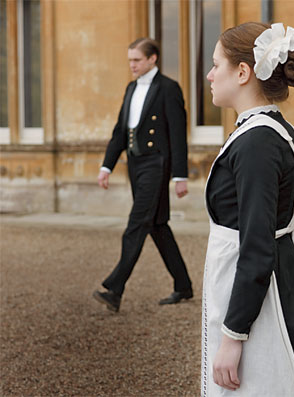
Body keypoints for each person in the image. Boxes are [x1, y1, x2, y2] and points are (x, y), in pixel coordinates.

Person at [201, 22, 294, 397]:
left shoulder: (258, 142)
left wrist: (233, 336)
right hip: (278, 276)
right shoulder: (272, 129)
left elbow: (258, 247)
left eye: (217, 65)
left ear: (243, 72)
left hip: (266, 298)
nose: (210, 74)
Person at [93, 38, 192, 312]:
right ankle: (183, 285)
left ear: (152, 59)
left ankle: (114, 288)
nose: (132, 65)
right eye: (129, 60)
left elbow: (177, 135)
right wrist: (106, 166)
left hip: (156, 165)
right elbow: (120, 132)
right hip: (135, 165)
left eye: (136, 60)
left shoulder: (169, 89)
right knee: (158, 226)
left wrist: (179, 175)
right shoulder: (130, 88)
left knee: (137, 223)